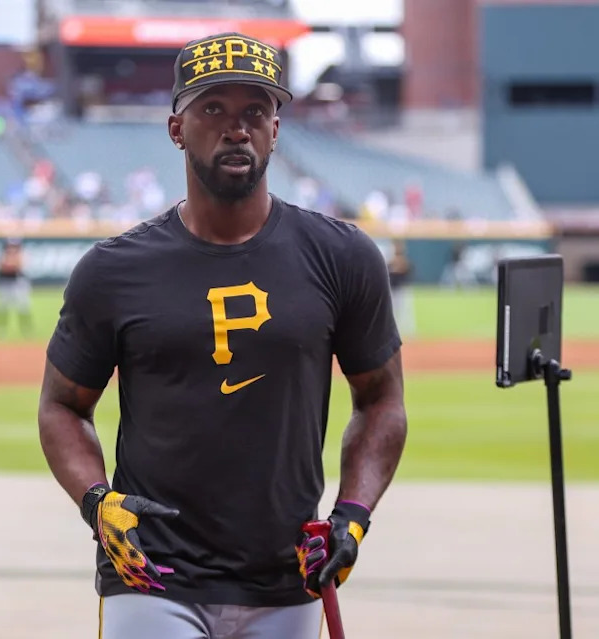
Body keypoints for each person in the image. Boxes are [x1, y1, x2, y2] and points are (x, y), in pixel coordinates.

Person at [38, 31, 407, 639]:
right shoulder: (113, 269)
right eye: (213, 110)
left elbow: (382, 401)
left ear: (276, 129)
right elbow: (61, 406)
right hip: (152, 579)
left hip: (288, 579)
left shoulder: (344, 257)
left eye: (255, 112)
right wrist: (95, 502)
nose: (237, 128)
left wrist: (352, 517)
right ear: (176, 128)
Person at [0, 239, 32, 337]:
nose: (12, 248)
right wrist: (10, 264)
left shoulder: (22, 254)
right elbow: (2, 267)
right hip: (5, 282)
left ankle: (25, 330)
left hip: (18, 282)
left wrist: (10, 264)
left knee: (23, 307)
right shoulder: (3, 255)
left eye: (14, 246)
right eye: (10, 246)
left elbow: (18, 266)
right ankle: (0, 330)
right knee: (3, 307)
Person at [387, 240, 415, 338]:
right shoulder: (390, 262)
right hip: (392, 289)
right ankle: (392, 333)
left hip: (402, 289)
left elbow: (409, 272)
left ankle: (410, 332)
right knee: (392, 312)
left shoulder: (405, 261)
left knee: (407, 312)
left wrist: (399, 268)